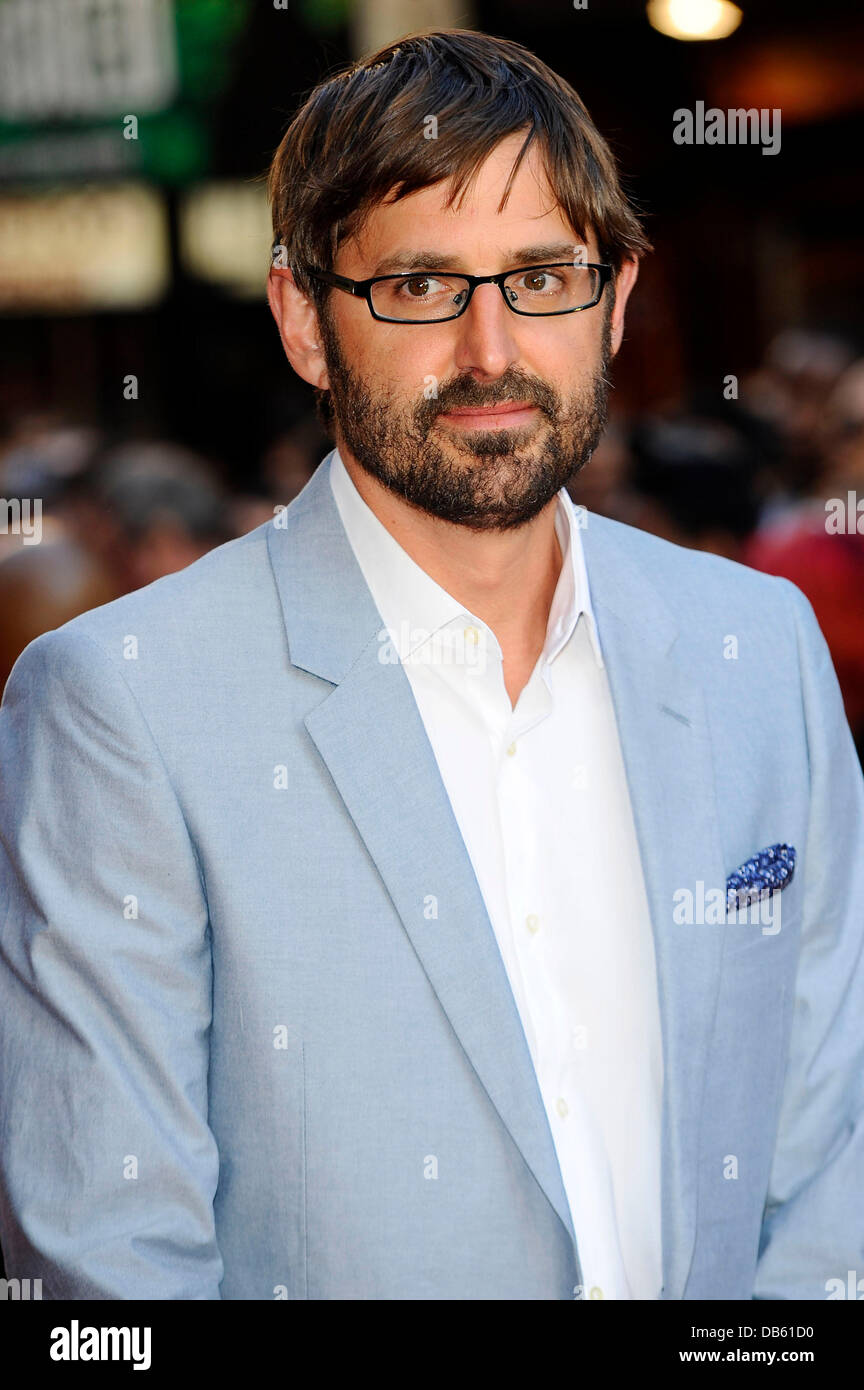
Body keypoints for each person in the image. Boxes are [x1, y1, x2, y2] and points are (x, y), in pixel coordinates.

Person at [1, 29, 862, 1302]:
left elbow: (826, 1168)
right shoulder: (122, 702)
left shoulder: (758, 649)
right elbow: (107, 1275)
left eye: (543, 276)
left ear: (617, 297)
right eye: (419, 286)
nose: (492, 351)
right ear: (305, 317)